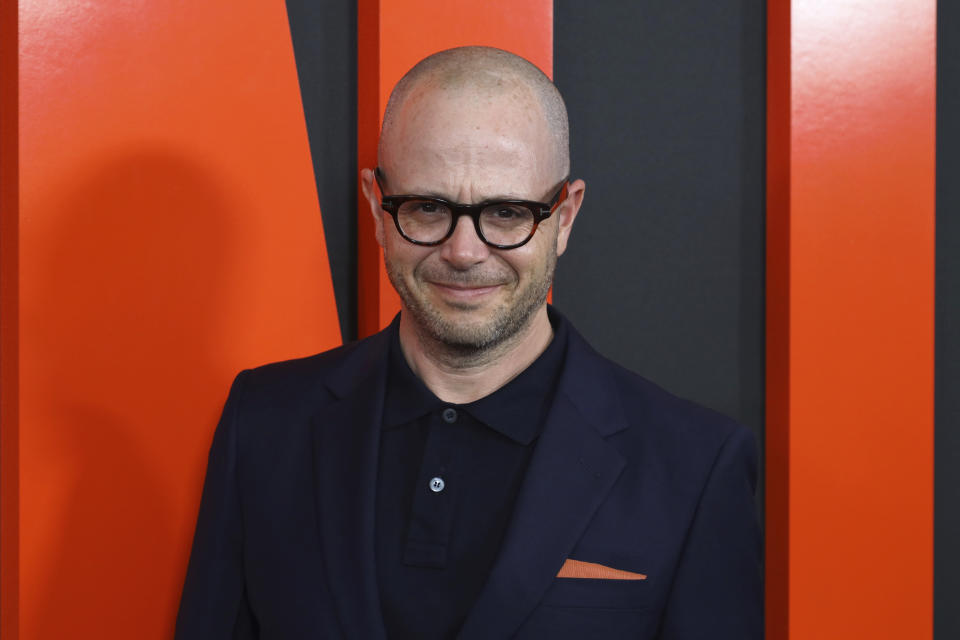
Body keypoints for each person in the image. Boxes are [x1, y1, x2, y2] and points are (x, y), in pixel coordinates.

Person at [175, 46, 762, 639]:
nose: (463, 251)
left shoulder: (695, 467)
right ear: (378, 208)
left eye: (507, 212)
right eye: (428, 207)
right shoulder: (265, 424)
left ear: (565, 217)